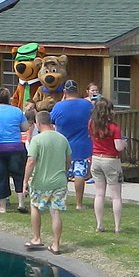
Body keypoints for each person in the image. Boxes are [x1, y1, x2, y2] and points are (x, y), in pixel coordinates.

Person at [23, 106, 72, 254]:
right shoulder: (62, 139)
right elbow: (68, 159)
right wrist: (65, 172)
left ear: (38, 123)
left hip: (41, 181)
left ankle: (37, 238)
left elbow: (31, 161)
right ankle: (56, 244)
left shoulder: (37, 140)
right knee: (55, 212)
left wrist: (25, 181)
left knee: (35, 206)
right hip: (59, 181)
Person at [0, 87, 29, 215]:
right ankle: (21, 203)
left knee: (0, 177)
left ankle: (3, 207)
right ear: (9, 99)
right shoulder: (17, 111)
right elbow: (25, 127)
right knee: (19, 175)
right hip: (16, 147)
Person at [51, 81, 94, 211]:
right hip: (82, 144)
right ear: (77, 90)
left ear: (65, 91)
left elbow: (51, 120)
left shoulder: (59, 106)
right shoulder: (87, 104)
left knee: (62, 174)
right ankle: (79, 203)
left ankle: (61, 201)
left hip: (63, 145)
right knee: (79, 173)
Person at [87, 95, 125, 233]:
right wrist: (124, 143)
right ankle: (117, 226)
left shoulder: (92, 124)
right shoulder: (114, 127)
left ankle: (99, 224)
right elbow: (118, 147)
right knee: (116, 196)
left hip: (96, 158)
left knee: (99, 194)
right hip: (111, 160)